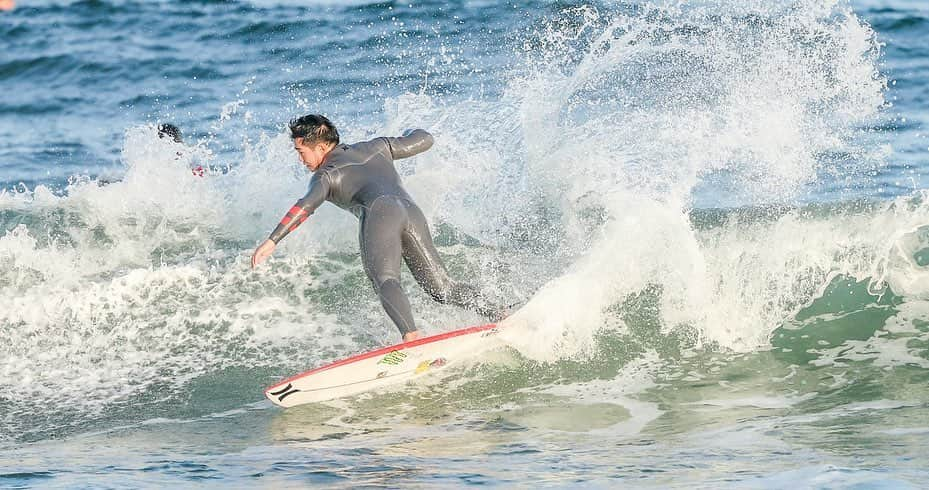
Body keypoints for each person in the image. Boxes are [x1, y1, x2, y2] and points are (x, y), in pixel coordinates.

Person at [251, 114, 505, 342]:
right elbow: (424, 139)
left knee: (386, 279)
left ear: (320, 146)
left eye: (301, 151)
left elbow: (305, 206)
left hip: (380, 213)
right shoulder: (377, 147)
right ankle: (499, 313)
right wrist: (410, 130)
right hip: (411, 210)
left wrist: (273, 240)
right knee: (442, 288)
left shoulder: (325, 175)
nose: (300, 159)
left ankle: (412, 337)